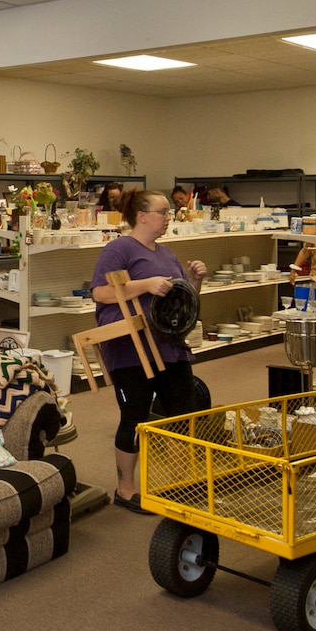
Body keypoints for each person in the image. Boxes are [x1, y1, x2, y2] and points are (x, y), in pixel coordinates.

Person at [90, 190, 206, 513]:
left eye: (169, 212)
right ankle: (126, 490)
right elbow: (100, 292)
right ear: (141, 216)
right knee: (135, 418)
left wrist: (195, 282)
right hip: (131, 350)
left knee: (183, 415)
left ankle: (178, 485)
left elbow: (183, 301)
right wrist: (145, 285)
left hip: (170, 346)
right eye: (163, 212)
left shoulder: (168, 254)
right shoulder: (119, 249)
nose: (169, 217)